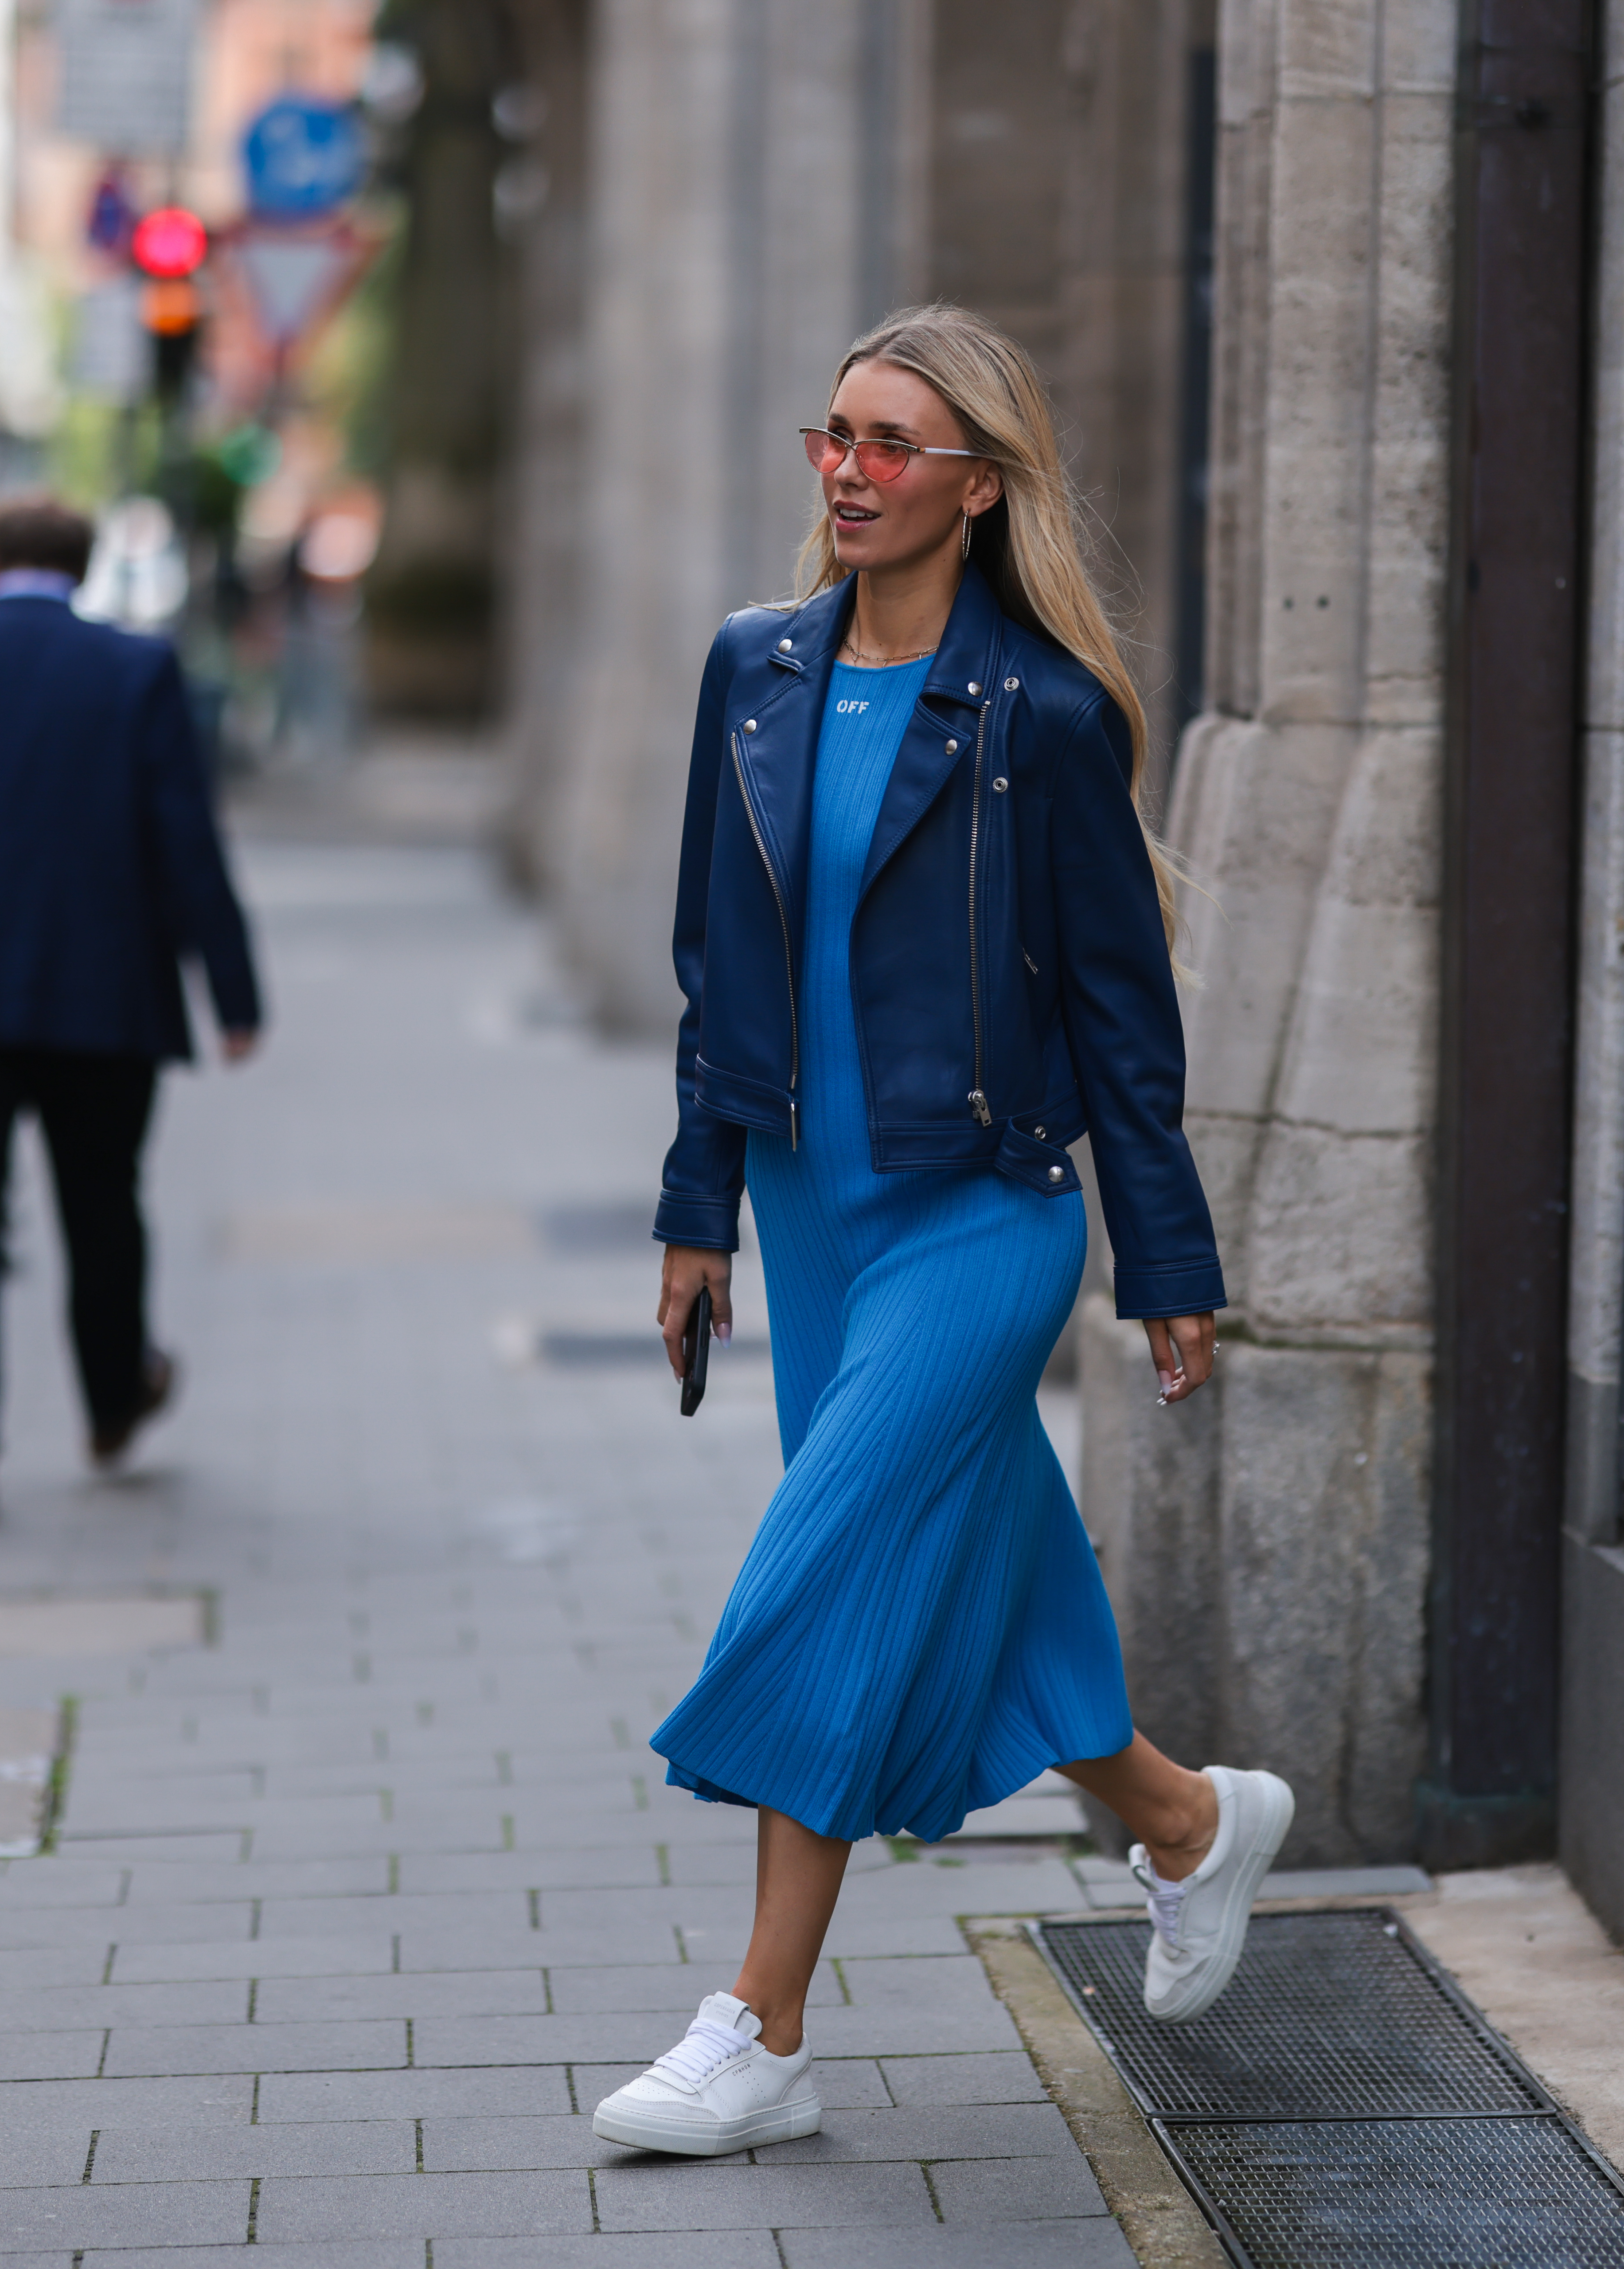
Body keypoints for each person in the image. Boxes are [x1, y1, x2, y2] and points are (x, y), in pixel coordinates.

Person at [588, 306, 1291, 2160]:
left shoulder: (1038, 718)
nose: (848, 467)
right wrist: (698, 1208)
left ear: (977, 487)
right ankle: (1187, 1825)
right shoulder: (750, 671)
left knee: (822, 1566)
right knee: (985, 1567)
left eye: (891, 443)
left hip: (980, 1217)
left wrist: (1166, 1259)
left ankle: (758, 2023)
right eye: (834, 432)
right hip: (816, 1213)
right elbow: (710, 971)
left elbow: (1125, 1019)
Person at [0, 496, 264, 1525]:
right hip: (99, 990)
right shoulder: (134, 672)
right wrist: (232, 995)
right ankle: (114, 1401)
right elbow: (186, 843)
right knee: (102, 1203)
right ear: (85, 566)